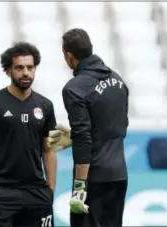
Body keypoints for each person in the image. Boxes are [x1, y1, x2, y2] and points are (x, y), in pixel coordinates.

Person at [48, 28, 129, 227]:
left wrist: (79, 189)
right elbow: (120, 126)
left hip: (93, 179)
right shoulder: (118, 80)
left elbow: (85, 139)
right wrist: (75, 136)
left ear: (68, 55)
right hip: (119, 175)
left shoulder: (74, 88)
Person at [0, 42, 57, 227]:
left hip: (37, 193)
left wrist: (50, 189)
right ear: (8, 71)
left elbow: (49, 149)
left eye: (30, 67)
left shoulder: (46, 106)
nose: (25, 72)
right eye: (19, 68)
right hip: (2, 192)